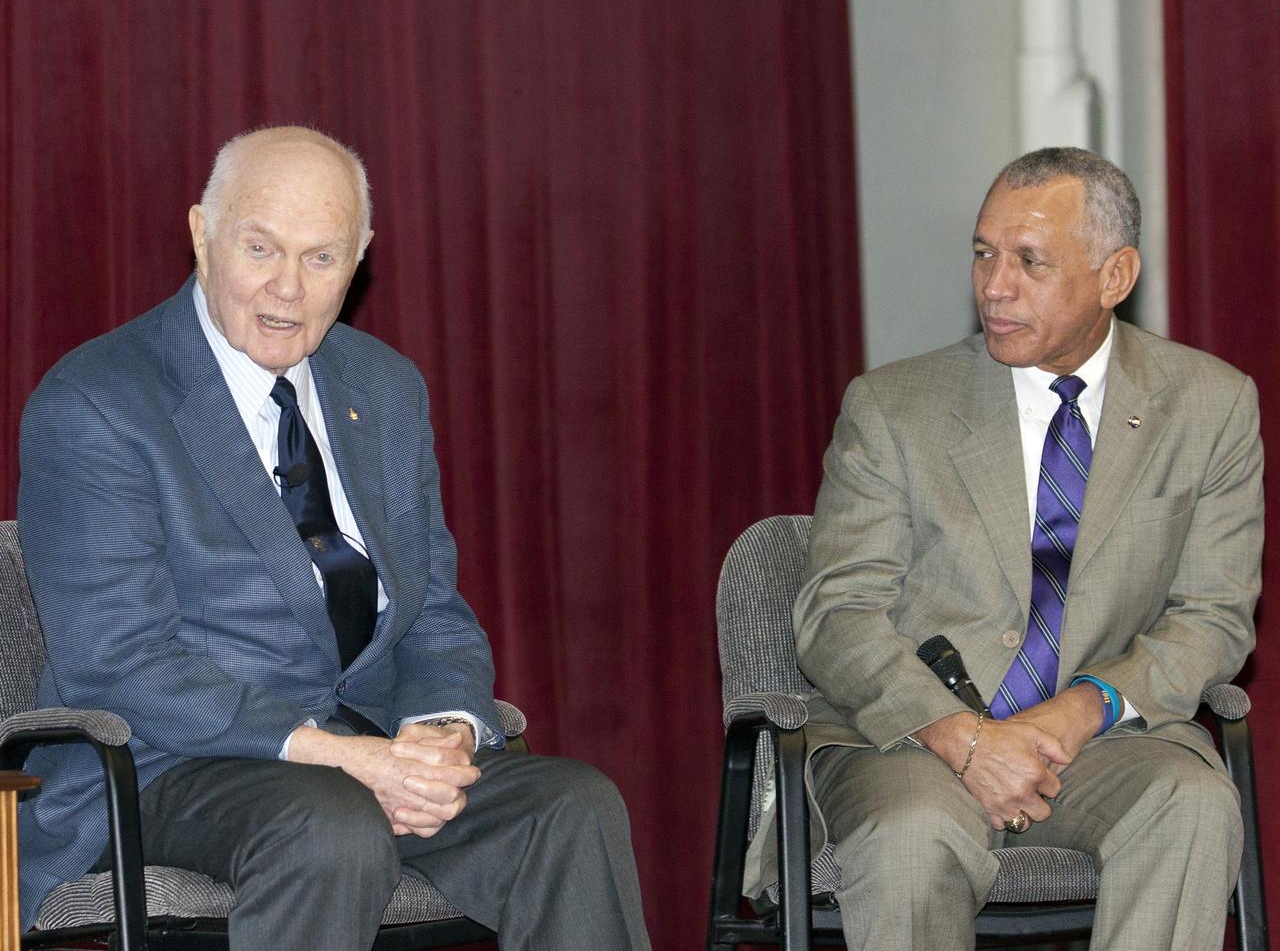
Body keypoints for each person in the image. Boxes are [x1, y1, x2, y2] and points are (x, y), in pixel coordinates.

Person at [16, 125, 651, 950]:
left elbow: (432, 614)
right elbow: (121, 664)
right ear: (202, 236)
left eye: (322, 258)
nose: (287, 287)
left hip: (367, 750)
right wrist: (340, 758)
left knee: (570, 808)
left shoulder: (383, 387)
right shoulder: (97, 402)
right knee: (331, 823)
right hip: (169, 766)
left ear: (361, 260)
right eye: (260, 248)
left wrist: (444, 731)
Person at [744, 148, 1262, 950]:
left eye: (1030, 262)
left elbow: (1213, 617)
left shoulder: (1210, 406)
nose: (994, 287)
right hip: (915, 740)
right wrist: (965, 738)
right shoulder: (893, 407)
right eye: (984, 253)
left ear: (1114, 275)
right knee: (913, 834)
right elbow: (838, 614)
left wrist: (1079, 711)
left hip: (1097, 742)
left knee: (1193, 803)